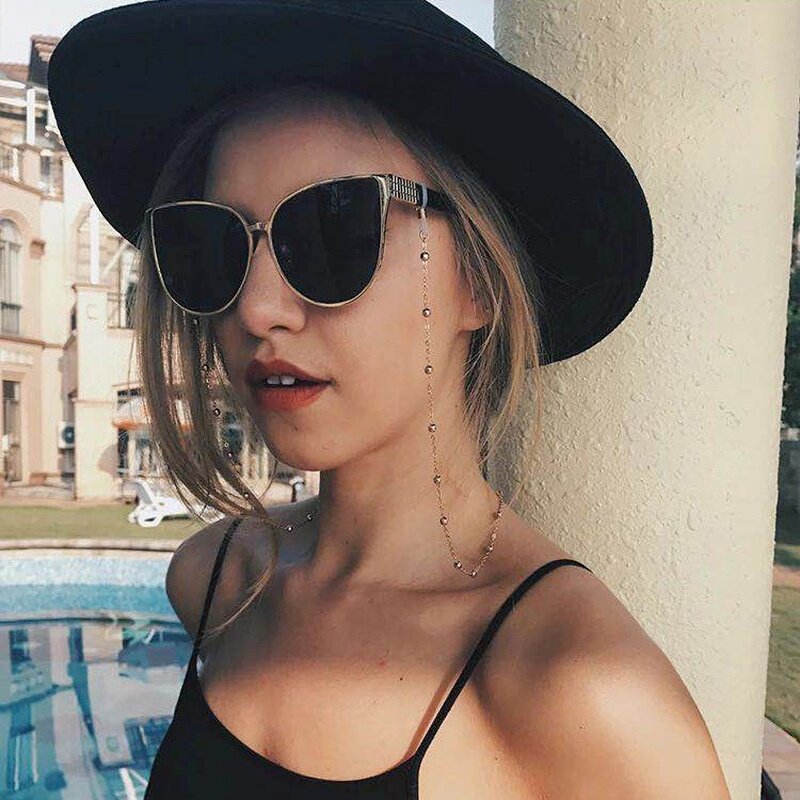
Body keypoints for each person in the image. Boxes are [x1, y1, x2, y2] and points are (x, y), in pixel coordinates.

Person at [47, 2, 732, 797]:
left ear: (478, 281)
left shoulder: (582, 688)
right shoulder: (214, 580)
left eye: (332, 229)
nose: (257, 308)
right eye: (213, 243)